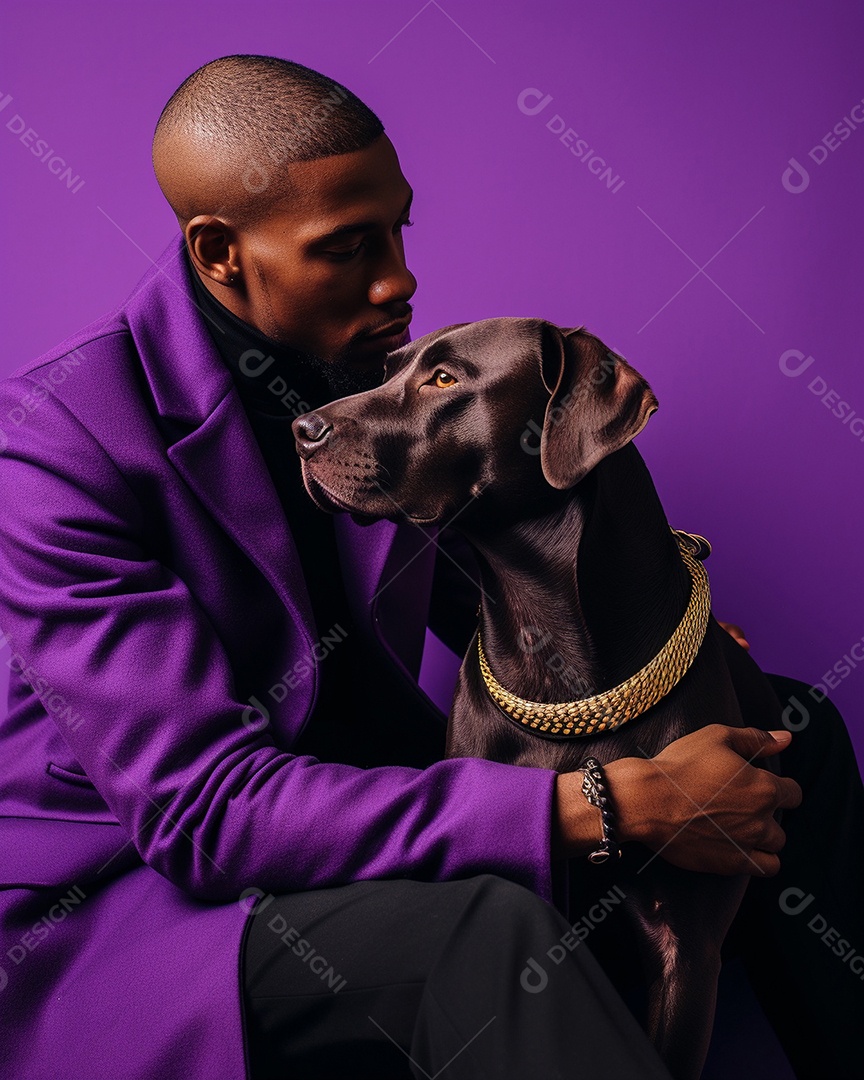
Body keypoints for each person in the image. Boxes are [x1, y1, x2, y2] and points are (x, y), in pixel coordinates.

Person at [0, 54, 859, 1080]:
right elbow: (203, 813)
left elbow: (497, 582)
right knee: (484, 931)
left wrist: (672, 655)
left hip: (363, 799)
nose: (399, 277)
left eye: (401, 227)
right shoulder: (57, 445)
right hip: (142, 904)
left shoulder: (367, 370)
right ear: (222, 252)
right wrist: (616, 801)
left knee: (782, 731)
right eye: (349, 246)